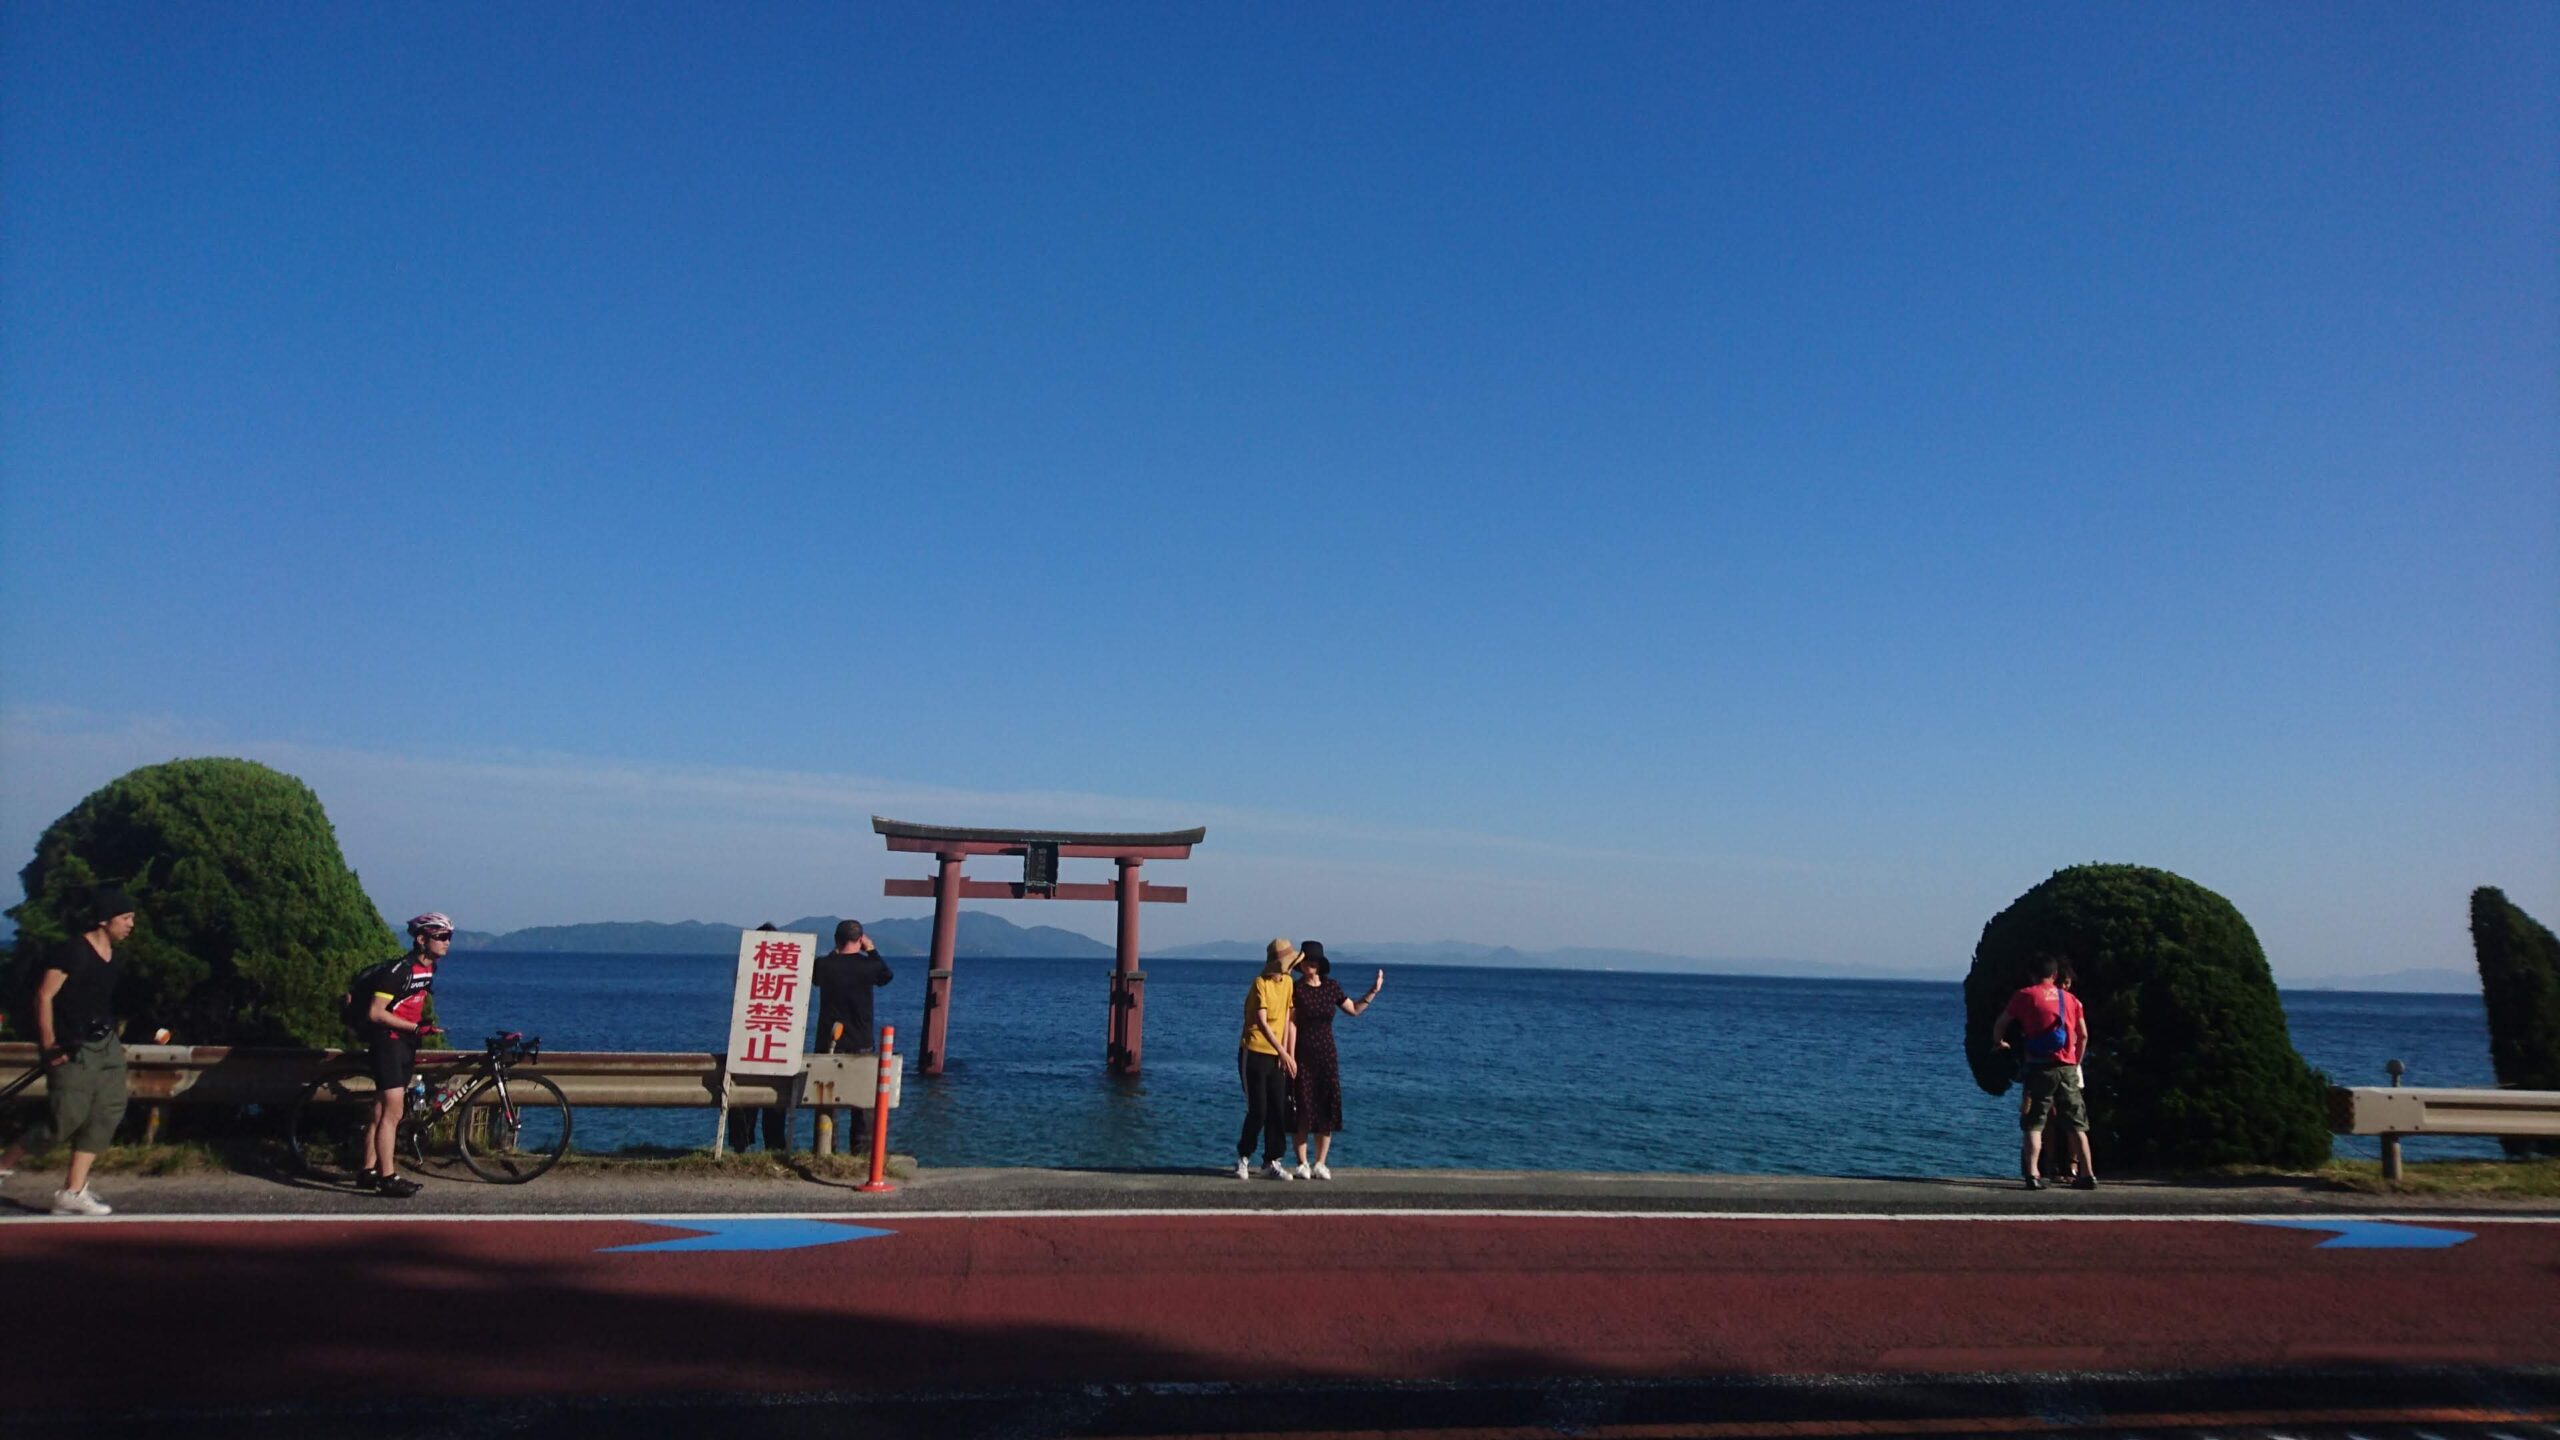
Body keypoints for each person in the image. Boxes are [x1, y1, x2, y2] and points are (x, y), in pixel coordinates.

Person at [31, 885, 139, 1216]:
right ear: (105, 920)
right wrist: (48, 1044)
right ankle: (5, 1164)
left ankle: (72, 1192)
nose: (131, 924)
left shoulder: (113, 956)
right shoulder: (72, 951)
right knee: (65, 1119)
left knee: (107, 1111)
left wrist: (113, 1043)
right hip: (70, 1045)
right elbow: (44, 996)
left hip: (103, 1044)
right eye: (125, 917)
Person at [358, 913, 452, 1199]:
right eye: (441, 937)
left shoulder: (429, 968)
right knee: (393, 1113)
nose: (447, 943)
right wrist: (414, 1026)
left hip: (405, 1042)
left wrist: (419, 1028)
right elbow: (375, 1012)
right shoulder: (400, 970)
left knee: (380, 1110)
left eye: (450, 937)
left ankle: (367, 1170)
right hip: (388, 1042)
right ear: (422, 939)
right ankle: (388, 1177)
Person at [1992, 953, 2095, 1191]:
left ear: (2031, 974)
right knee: (2077, 1123)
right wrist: (2074, 1061)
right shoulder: (2071, 999)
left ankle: (2033, 1174)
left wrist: (2000, 1042)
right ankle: (2087, 1174)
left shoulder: (2025, 995)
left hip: (2039, 1067)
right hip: (2067, 1067)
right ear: (2055, 975)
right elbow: (2084, 1035)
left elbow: (2001, 1023)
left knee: (2034, 1122)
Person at [1287, 941, 1383, 1180]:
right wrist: (1287, 1055)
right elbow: (1290, 1023)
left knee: (1325, 1108)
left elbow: (1354, 1010)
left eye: (1314, 960)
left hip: (1327, 1056)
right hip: (1302, 1055)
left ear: (1320, 964)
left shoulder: (1331, 987)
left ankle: (1320, 1162)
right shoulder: (1296, 989)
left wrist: (1373, 991)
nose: (1311, 964)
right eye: (1307, 960)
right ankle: (1302, 1163)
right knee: (1302, 1109)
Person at [810, 919, 893, 1150]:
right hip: (861, 1041)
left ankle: (826, 1149)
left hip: (828, 1041)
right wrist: (872, 949)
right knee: (863, 1101)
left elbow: (814, 977)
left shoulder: (824, 965)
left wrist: (833, 954)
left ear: (836, 940)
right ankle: (861, 1152)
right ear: (860, 940)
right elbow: (887, 975)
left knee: (825, 1100)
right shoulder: (869, 966)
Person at [1233, 938, 1300, 1180]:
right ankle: (1243, 1156)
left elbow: (1286, 1019)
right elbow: (1261, 1022)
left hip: (1276, 1054)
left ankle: (1272, 1160)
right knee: (1258, 1110)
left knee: (1277, 1109)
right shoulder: (1260, 984)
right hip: (1254, 1051)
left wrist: (1286, 1053)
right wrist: (1282, 1051)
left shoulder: (1289, 983)